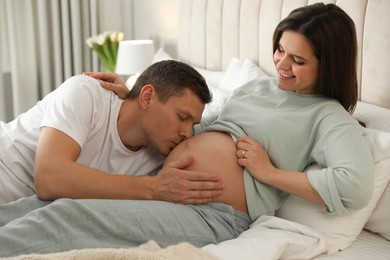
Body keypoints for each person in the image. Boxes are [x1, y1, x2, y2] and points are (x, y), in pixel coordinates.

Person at [0, 3, 374, 257]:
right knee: (42, 204)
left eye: (298, 60)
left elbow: (353, 186)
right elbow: (197, 126)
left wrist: (269, 173)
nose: (281, 64)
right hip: (166, 189)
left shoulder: (328, 117)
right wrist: (134, 94)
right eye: (279, 49)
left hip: (211, 213)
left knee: (69, 217)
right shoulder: (255, 87)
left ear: (330, 65)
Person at [0, 60, 224, 205]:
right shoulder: (85, 92)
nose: (188, 133)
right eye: (182, 117)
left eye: (193, 124)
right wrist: (154, 188)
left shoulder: (162, 154)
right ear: (147, 97)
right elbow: (49, 178)